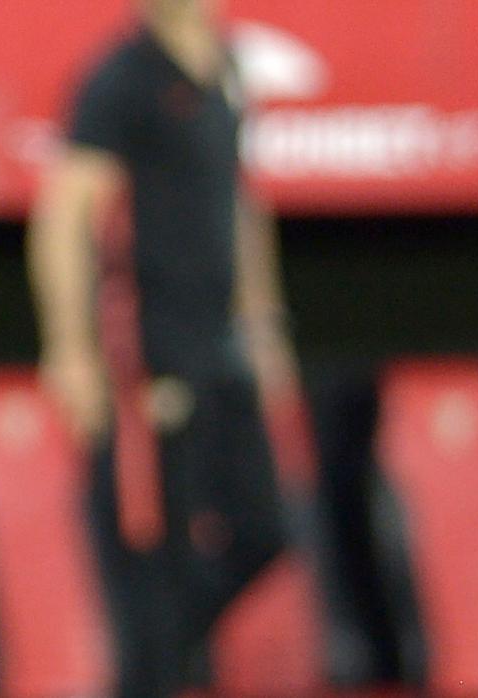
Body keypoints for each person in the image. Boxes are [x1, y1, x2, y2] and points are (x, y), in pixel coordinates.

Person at [27, 0, 296, 695]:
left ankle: (158, 659)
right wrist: (70, 350)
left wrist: (262, 321)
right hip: (144, 358)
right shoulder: (120, 79)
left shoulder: (227, 66)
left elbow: (238, 199)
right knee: (152, 556)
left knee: (264, 530)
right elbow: (64, 214)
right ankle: (154, 664)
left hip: (221, 347)